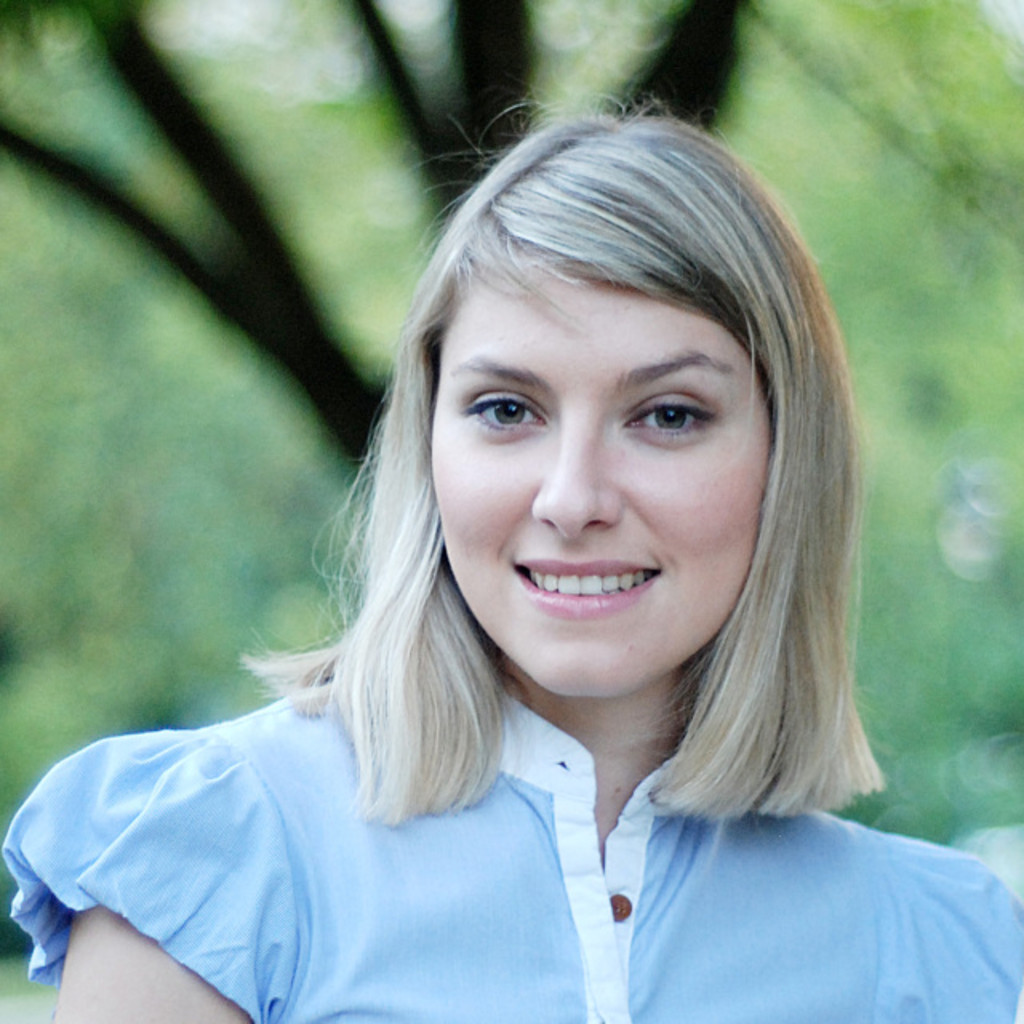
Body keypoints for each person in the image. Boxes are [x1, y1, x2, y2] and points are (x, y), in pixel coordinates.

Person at [4, 110, 1024, 1023]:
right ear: (429, 438)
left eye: (668, 415)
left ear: (789, 459)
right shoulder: (216, 857)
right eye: (506, 409)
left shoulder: (933, 954)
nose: (572, 498)